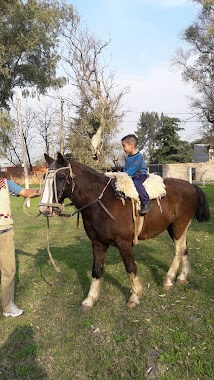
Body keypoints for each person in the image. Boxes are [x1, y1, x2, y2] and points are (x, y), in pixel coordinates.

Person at [0, 178, 41, 317]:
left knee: (8, 271)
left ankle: (7, 307)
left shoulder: (5, 183)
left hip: (5, 232)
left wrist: (41, 191)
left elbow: (24, 192)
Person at [121, 134, 151, 215]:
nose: (123, 148)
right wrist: (122, 174)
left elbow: (134, 168)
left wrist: (124, 175)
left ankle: (146, 202)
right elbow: (126, 168)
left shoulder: (139, 157)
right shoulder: (129, 157)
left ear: (132, 145)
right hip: (131, 175)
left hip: (140, 175)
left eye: (124, 146)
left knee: (137, 183)